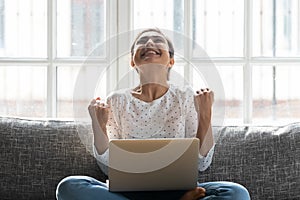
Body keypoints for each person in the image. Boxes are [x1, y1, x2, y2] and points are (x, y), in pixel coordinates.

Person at [56, 28, 250, 200]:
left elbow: (202, 163)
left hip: (177, 190)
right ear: (132, 61)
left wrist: (205, 114)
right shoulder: (116, 100)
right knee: (70, 186)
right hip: (128, 193)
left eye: (157, 41)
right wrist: (98, 125)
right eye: (142, 41)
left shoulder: (186, 96)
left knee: (236, 193)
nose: (149, 43)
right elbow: (107, 168)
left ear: (171, 61)